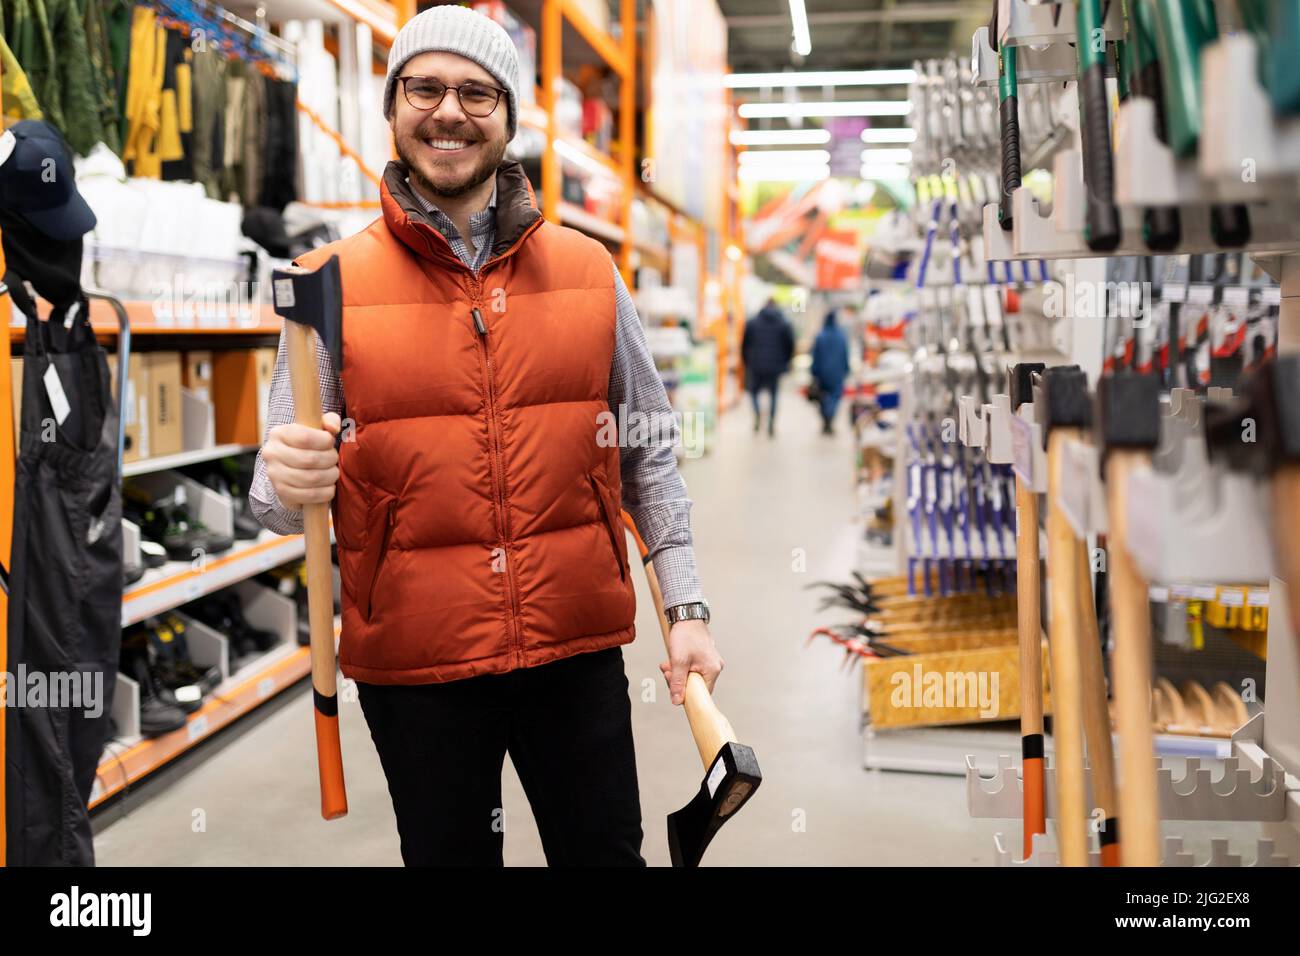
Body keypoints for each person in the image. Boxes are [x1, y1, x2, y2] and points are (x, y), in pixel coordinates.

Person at [249, 6, 719, 867]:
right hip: (417, 667)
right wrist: (285, 476)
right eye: (424, 88)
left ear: (507, 117)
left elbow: (648, 451)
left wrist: (684, 610)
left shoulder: (588, 271)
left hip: (573, 648)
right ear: (393, 107)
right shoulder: (324, 285)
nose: (449, 112)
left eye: (476, 92)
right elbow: (277, 505)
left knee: (605, 857)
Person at [741, 296, 795, 436]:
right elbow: (790, 345)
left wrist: (746, 361)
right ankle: (771, 421)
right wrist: (786, 362)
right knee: (774, 395)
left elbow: (745, 344)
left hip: (756, 364)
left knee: (753, 392)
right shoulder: (784, 323)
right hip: (775, 366)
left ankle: (757, 413)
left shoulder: (752, 322)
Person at [810, 309, 850, 435]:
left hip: (822, 373)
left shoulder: (820, 336)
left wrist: (814, 370)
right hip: (837, 372)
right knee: (834, 397)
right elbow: (845, 355)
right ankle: (829, 417)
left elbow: (815, 355)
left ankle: (826, 418)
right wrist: (846, 369)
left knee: (822, 397)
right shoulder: (841, 336)